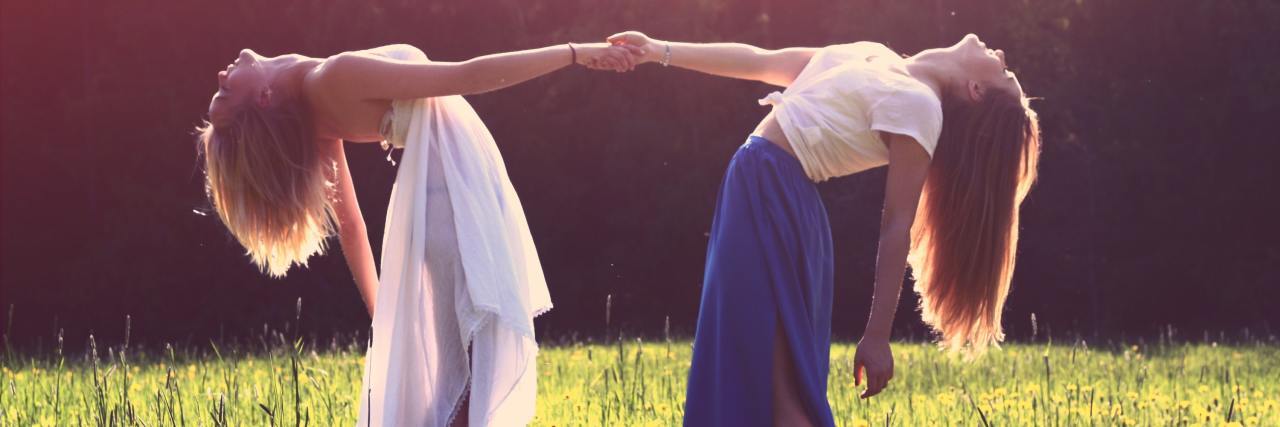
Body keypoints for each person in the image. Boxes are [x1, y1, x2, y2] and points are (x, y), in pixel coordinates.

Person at [597, 31, 1041, 426]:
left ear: (977, 90)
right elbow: (759, 59)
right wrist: (660, 51)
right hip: (764, 192)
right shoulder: (877, 56)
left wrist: (877, 336)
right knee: (761, 377)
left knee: (778, 393)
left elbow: (896, 225)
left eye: (1006, 70)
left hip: (775, 199)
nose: (1000, 51)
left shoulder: (919, 107)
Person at [197, 42, 640, 427]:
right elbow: (470, 75)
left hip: (449, 204)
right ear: (265, 97)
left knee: (458, 381)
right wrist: (575, 54)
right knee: (466, 381)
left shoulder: (316, 102)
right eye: (226, 89)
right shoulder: (334, 78)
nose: (222, 73)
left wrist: (385, 319)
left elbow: (352, 227)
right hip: (456, 208)